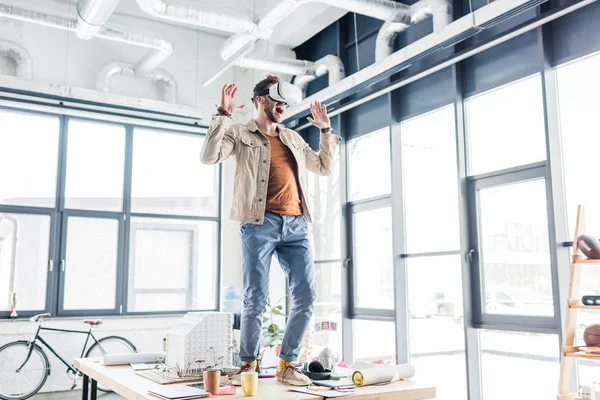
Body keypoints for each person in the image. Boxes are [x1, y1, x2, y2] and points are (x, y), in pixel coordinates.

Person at [200, 75, 341, 386]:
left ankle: (287, 365)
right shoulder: (239, 133)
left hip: (297, 225)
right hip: (258, 223)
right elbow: (209, 156)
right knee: (256, 297)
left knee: (306, 295)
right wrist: (222, 115)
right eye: (278, 100)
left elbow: (324, 167)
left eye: (285, 102)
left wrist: (326, 131)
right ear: (260, 100)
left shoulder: (291, 137)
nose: (283, 106)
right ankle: (248, 364)